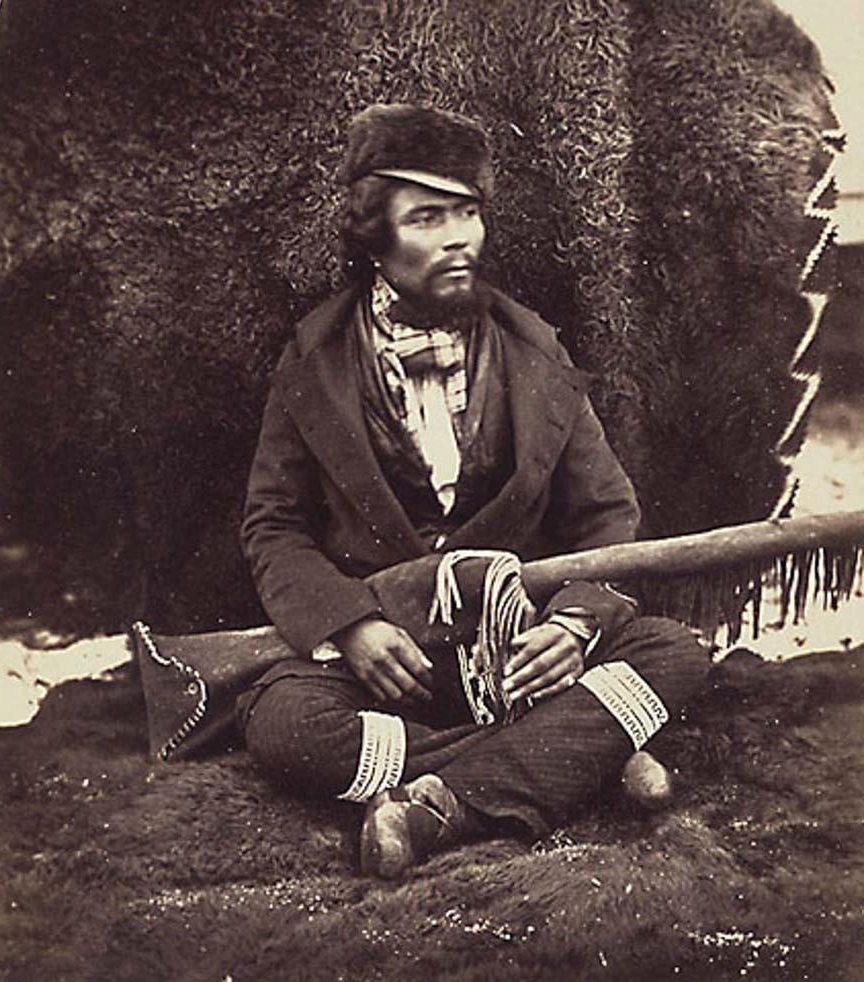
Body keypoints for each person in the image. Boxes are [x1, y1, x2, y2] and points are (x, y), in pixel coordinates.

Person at [237, 104, 709, 878]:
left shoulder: (535, 348)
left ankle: (438, 809)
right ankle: (581, 755)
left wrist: (575, 628)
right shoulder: (312, 360)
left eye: (468, 213)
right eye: (428, 217)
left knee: (678, 653)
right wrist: (352, 627)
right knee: (283, 726)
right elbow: (273, 527)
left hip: (520, 652)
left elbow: (608, 514)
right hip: (393, 668)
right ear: (373, 238)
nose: (460, 237)